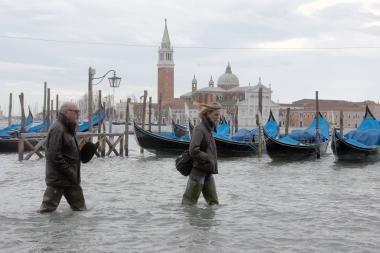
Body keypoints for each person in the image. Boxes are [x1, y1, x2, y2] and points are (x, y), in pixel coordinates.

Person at [39, 102, 86, 212]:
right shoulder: (58, 128)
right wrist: (69, 171)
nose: (78, 114)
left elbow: (69, 151)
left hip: (71, 179)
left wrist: (83, 154)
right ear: (66, 112)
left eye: (78, 112)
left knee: (81, 210)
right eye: (76, 112)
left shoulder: (68, 127)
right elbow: (53, 156)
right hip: (58, 180)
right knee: (46, 212)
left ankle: (79, 229)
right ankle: (47, 230)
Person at [182, 102, 221, 205]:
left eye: (219, 115)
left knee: (214, 204)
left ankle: (209, 222)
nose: (218, 118)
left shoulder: (209, 130)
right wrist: (208, 158)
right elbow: (193, 150)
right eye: (216, 115)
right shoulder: (199, 129)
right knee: (188, 204)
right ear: (208, 114)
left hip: (208, 172)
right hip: (198, 173)